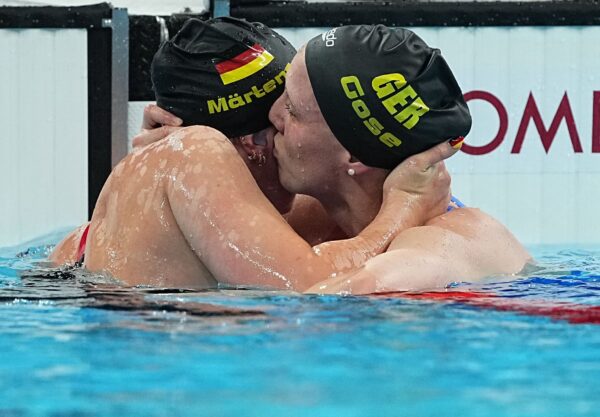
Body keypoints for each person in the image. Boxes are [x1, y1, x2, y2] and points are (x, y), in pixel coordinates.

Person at [49, 18, 456, 291]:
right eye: (278, 127)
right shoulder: (198, 150)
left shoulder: (88, 235)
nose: (283, 145)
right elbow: (309, 288)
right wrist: (403, 208)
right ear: (250, 142)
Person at [133, 23, 531, 295]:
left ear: (353, 152)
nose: (274, 118)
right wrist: (166, 179)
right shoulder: (319, 218)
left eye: (292, 110)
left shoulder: (444, 244)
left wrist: (404, 210)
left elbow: (326, 298)